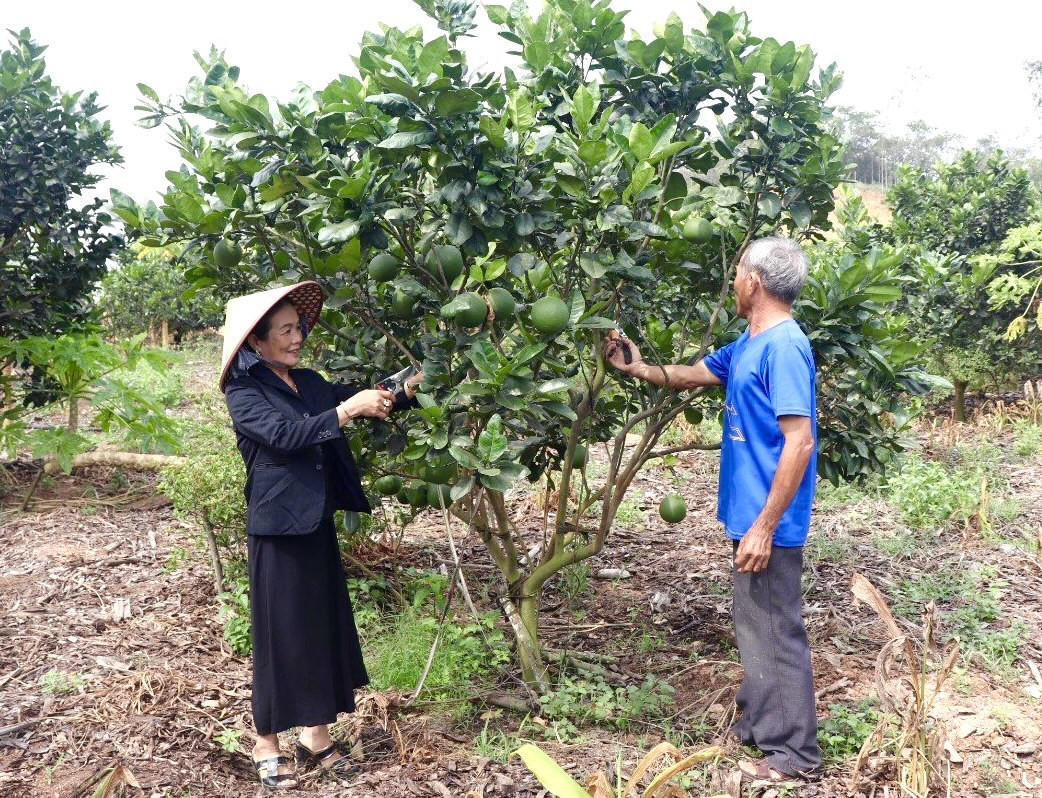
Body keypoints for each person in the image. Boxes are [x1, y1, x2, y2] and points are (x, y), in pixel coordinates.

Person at [604, 237, 820, 783]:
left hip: (768, 523)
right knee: (754, 621)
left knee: (775, 626)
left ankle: (795, 754)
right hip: (748, 516)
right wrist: (635, 367)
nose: (733, 281)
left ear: (755, 282)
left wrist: (765, 527)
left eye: (738, 272)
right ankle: (756, 724)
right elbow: (691, 373)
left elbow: (800, 443)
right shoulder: (750, 342)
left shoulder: (785, 347)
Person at [218, 281, 421, 789]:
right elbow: (286, 436)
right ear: (256, 343)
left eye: (298, 328)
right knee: (279, 632)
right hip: (276, 527)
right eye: (284, 331)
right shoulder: (244, 393)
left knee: (319, 625)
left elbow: (356, 399)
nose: (296, 338)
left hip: (314, 520)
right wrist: (349, 409)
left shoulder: (308, 382)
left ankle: (316, 734)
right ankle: (266, 739)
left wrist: (402, 388)